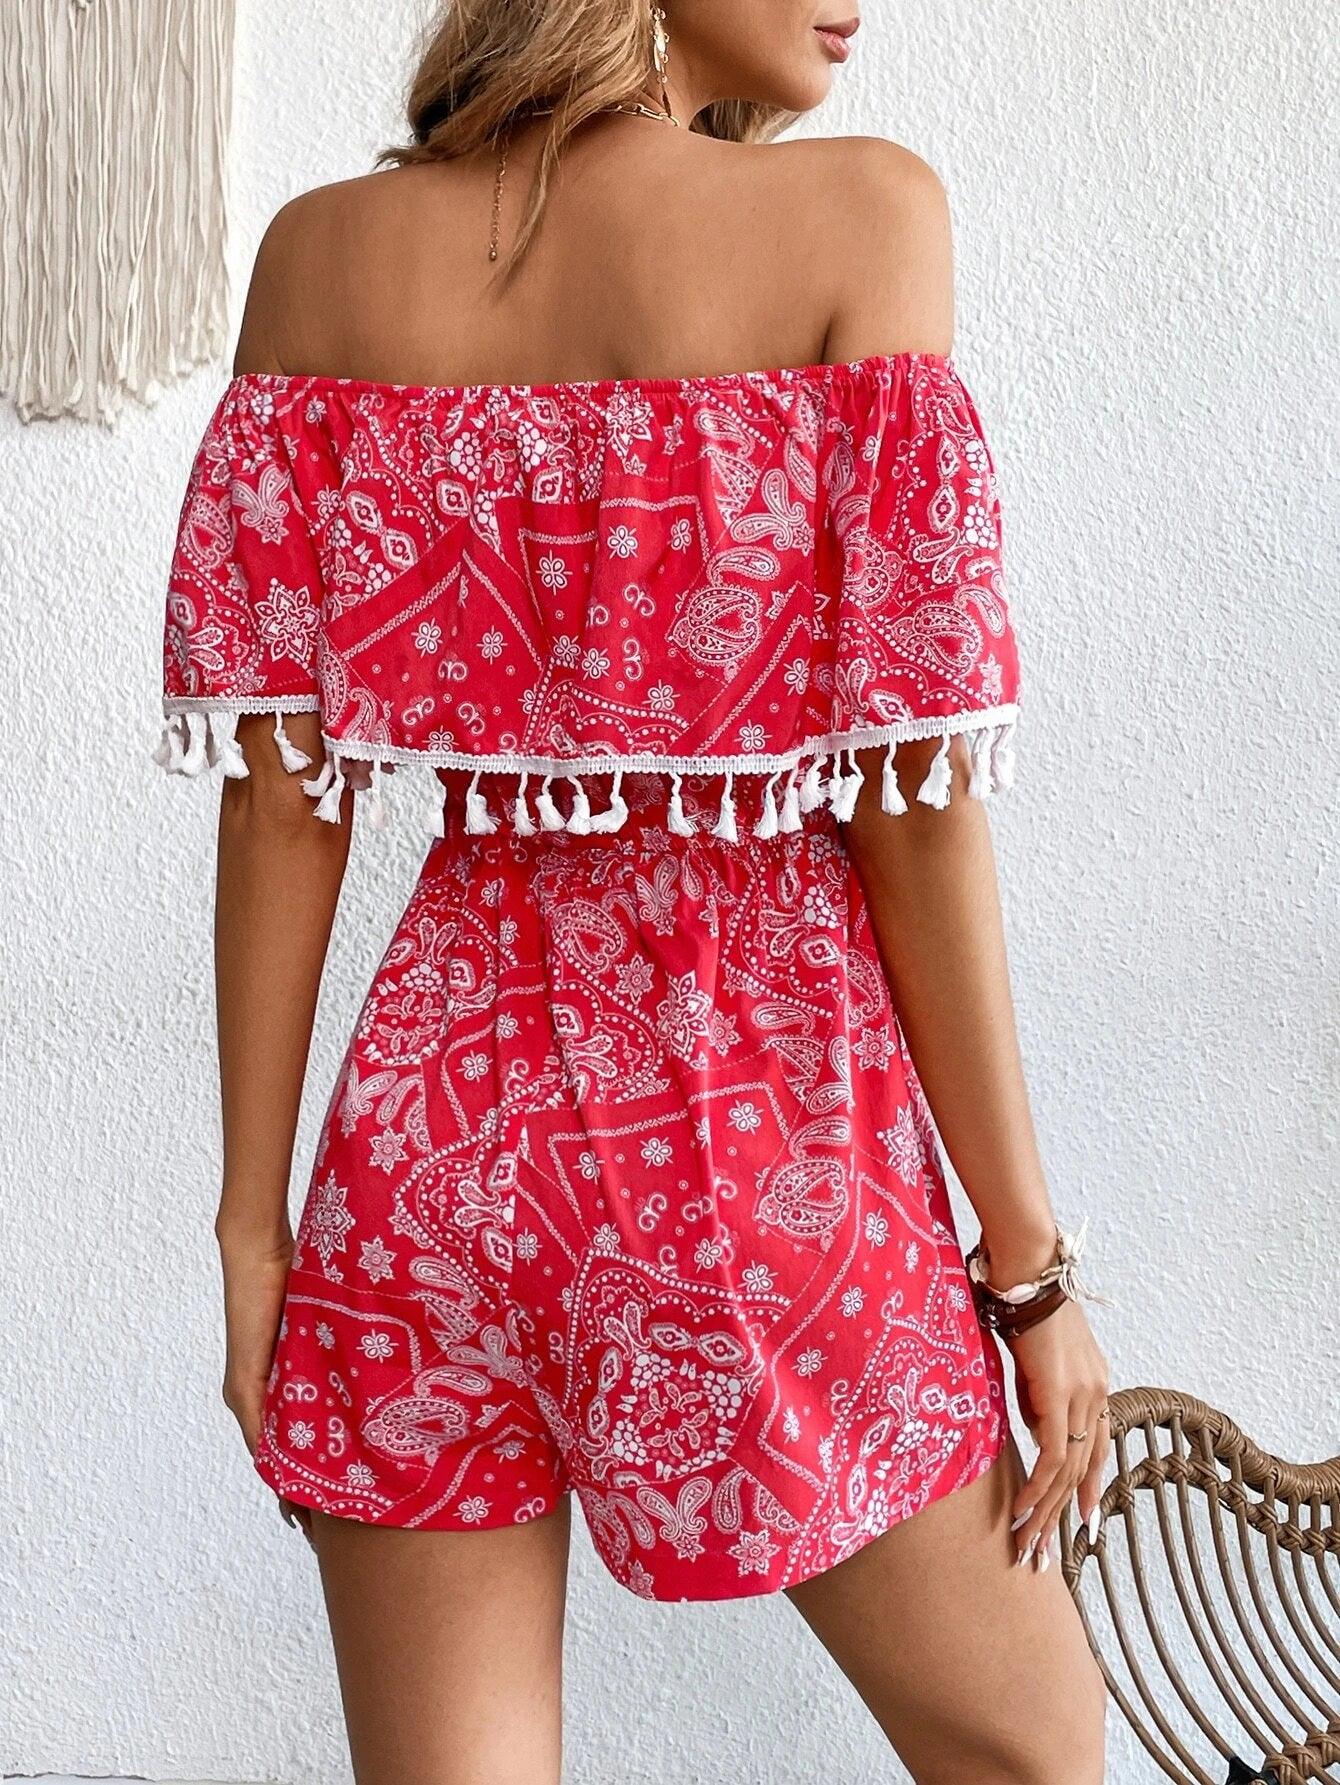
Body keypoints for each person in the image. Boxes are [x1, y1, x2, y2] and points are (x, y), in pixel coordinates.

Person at [155, 2, 1110, 1779]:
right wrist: (1030, 1270)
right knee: (1034, 1750)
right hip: (753, 1132)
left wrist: (254, 1229)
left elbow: (284, 807)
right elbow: (912, 820)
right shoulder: (864, 217)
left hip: (432, 1143)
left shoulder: (317, 260)